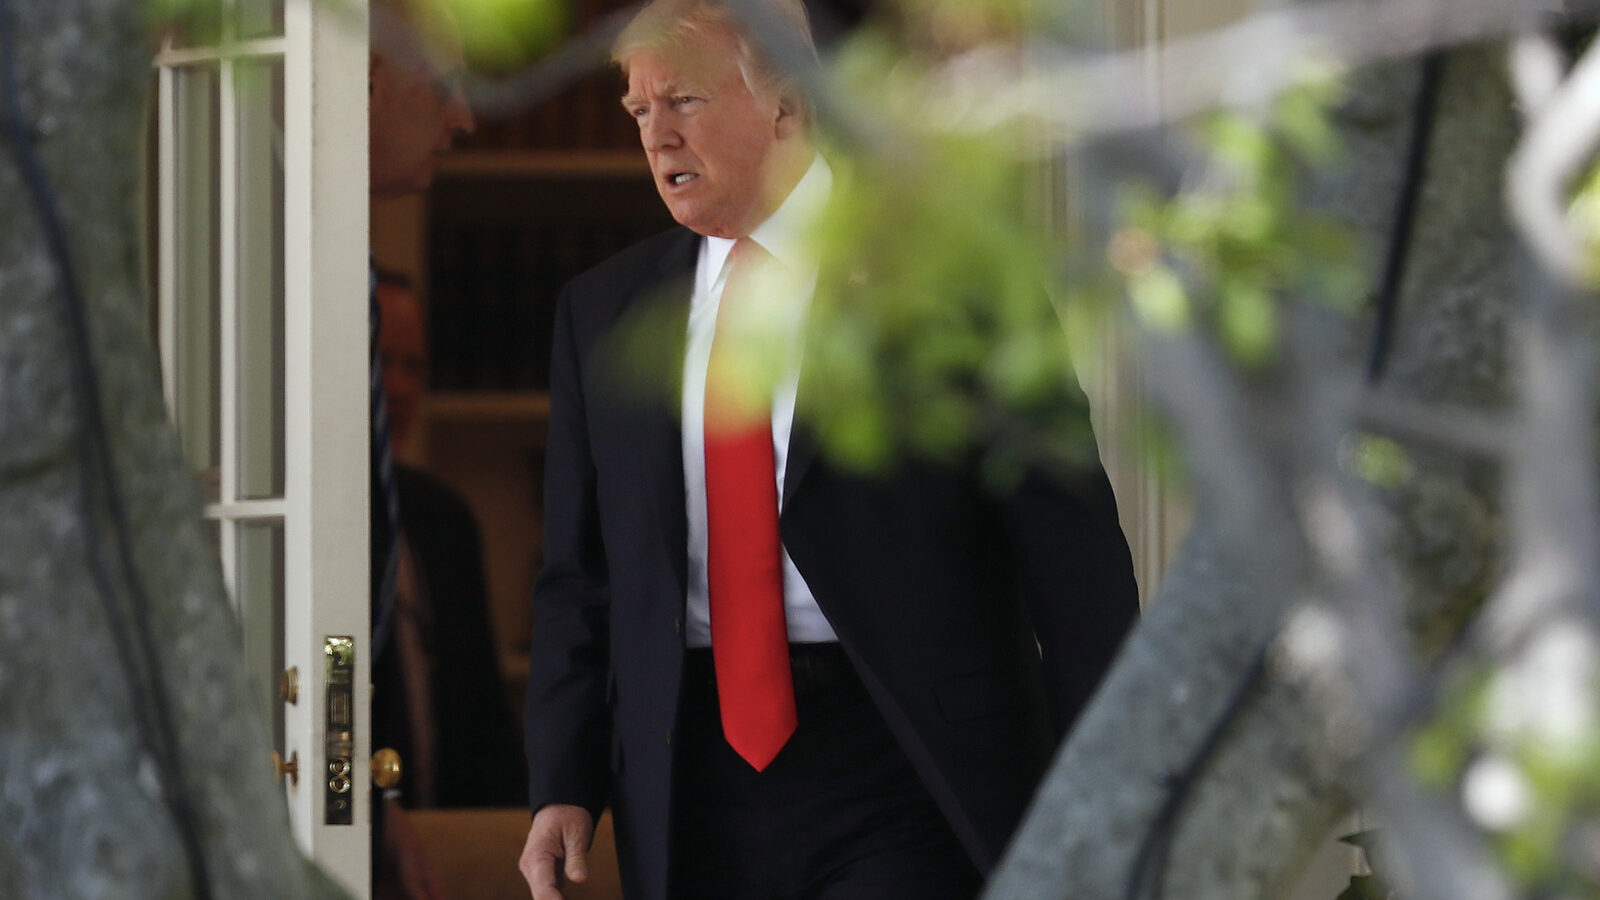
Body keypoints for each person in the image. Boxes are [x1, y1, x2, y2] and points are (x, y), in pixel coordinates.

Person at [517, 1, 1140, 898]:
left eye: (683, 101)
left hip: (909, 756)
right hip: (690, 767)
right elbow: (577, 578)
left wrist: (1113, 780)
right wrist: (562, 787)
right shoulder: (603, 311)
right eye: (639, 111)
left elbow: (1070, 553)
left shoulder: (951, 281)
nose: (657, 137)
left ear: (787, 107)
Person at [365, 3, 483, 898]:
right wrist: (354, 797)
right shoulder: (276, 268)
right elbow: (327, 650)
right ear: (365, 79)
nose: (466, 119)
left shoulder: (440, 517)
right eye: (444, 88)